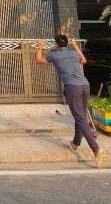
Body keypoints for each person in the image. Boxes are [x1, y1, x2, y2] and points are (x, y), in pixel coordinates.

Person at [36, 35, 104, 168]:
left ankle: (96, 149)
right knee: (81, 116)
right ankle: (75, 143)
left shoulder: (54, 55)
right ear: (67, 44)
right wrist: (75, 46)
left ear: (56, 45)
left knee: (80, 118)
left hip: (73, 88)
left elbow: (39, 60)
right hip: (85, 85)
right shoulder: (73, 53)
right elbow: (84, 60)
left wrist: (40, 47)